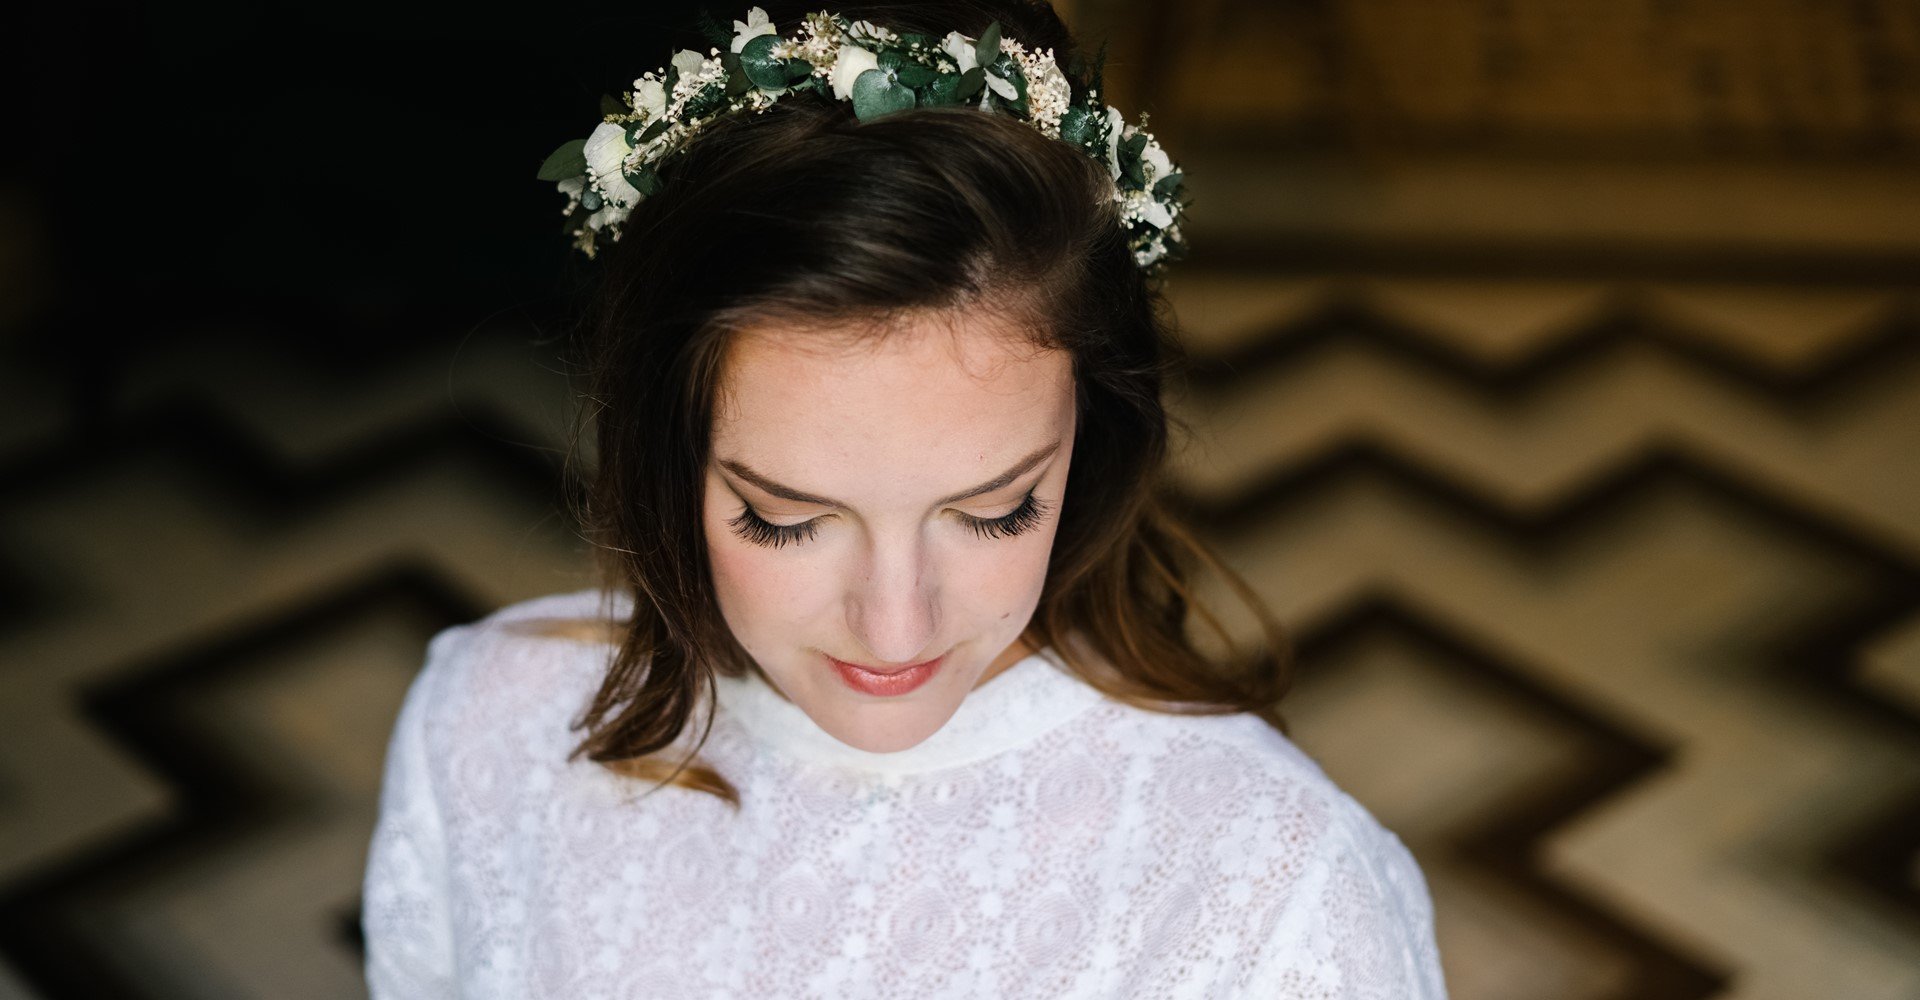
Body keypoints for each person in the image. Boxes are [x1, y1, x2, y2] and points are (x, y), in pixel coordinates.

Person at [361, 2, 1449, 997]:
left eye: (996, 510)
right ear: (664, 454)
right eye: (784, 517)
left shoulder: (1278, 889)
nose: (895, 625)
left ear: (1093, 441)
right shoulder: (487, 726)